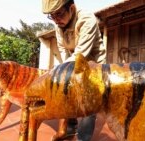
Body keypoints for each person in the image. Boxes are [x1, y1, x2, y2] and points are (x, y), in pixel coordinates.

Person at [42, 0, 106, 140]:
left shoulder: (86, 19)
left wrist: (58, 72)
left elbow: (80, 54)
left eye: (59, 14)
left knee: (87, 101)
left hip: (93, 65)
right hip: (74, 63)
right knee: (66, 93)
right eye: (52, 16)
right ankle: (69, 127)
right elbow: (64, 52)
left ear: (71, 8)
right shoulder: (59, 26)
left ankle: (84, 137)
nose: (56, 20)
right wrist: (63, 73)